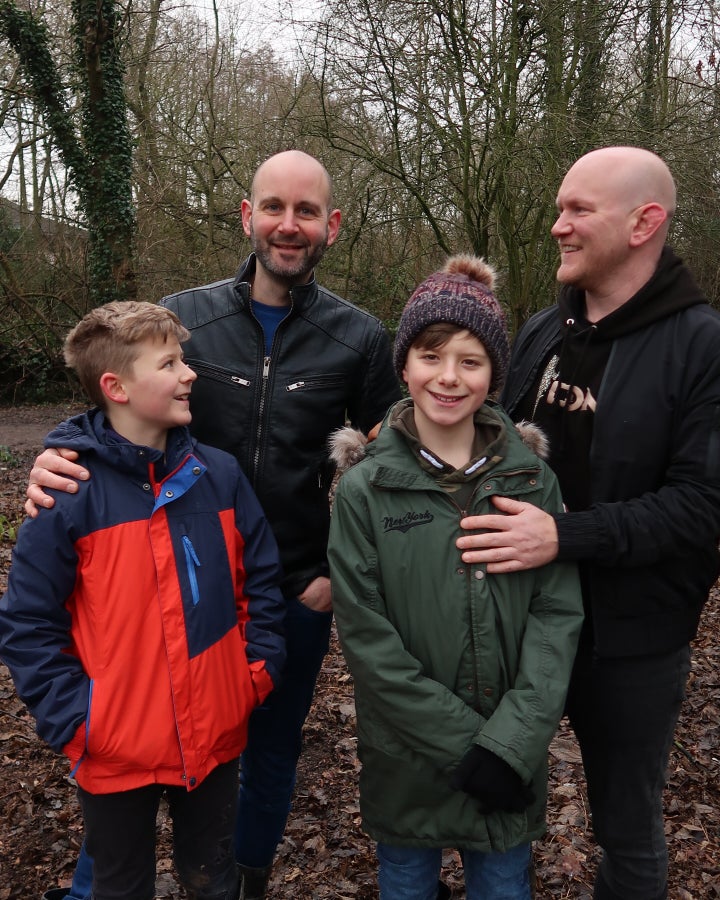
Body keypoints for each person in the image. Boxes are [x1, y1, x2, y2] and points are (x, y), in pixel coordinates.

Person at [25, 149, 402, 900]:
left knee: (265, 759)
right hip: (165, 584)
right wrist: (56, 450)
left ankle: (241, 884)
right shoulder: (187, 315)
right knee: (129, 760)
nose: (287, 226)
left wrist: (337, 574)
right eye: (273, 207)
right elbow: (120, 398)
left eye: (304, 212)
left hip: (289, 592)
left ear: (331, 225)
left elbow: (396, 463)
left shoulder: (359, 339)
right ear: (247, 217)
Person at [455, 146, 720, 899]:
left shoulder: (702, 347)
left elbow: (702, 505)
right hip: (522, 621)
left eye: (578, 210)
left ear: (645, 223)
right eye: (559, 207)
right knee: (497, 796)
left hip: (631, 640)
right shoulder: (543, 330)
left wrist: (564, 536)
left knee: (626, 831)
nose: (556, 226)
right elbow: (488, 444)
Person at [0, 302, 287, 900]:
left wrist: (250, 677)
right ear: (117, 387)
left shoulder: (222, 477)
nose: (190, 374)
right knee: (120, 884)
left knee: (212, 878)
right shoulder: (68, 494)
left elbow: (260, 584)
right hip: (114, 746)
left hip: (213, 733)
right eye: (171, 363)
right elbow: (28, 622)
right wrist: (80, 719)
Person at [326, 254, 584, 899]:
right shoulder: (365, 489)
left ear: (494, 374)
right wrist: (467, 745)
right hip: (405, 761)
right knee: (408, 883)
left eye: (470, 362)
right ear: (404, 365)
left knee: (502, 884)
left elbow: (557, 616)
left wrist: (508, 744)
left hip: (509, 759)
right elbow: (367, 637)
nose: (448, 378)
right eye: (430, 357)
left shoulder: (532, 480)